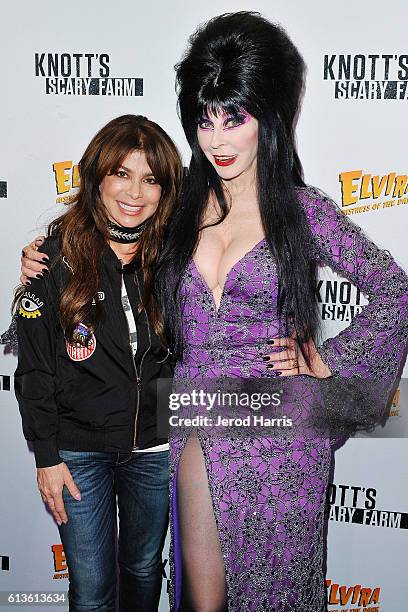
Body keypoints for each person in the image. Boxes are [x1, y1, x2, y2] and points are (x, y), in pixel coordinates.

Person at [151, 12, 408, 612]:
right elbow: (113, 230)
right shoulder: (179, 206)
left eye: (233, 118)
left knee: (277, 596)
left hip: (283, 431)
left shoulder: (302, 211)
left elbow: (396, 293)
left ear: (269, 117)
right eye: (204, 119)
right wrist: (48, 260)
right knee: (201, 602)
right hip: (198, 415)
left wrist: (329, 373)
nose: (215, 140)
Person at [14, 114, 183, 612]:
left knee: (144, 572)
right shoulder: (53, 257)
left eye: (151, 178)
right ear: (97, 177)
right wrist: (46, 457)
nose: (136, 192)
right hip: (77, 454)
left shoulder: (177, 256)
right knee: (90, 592)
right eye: (122, 174)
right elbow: (34, 371)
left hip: (154, 448)